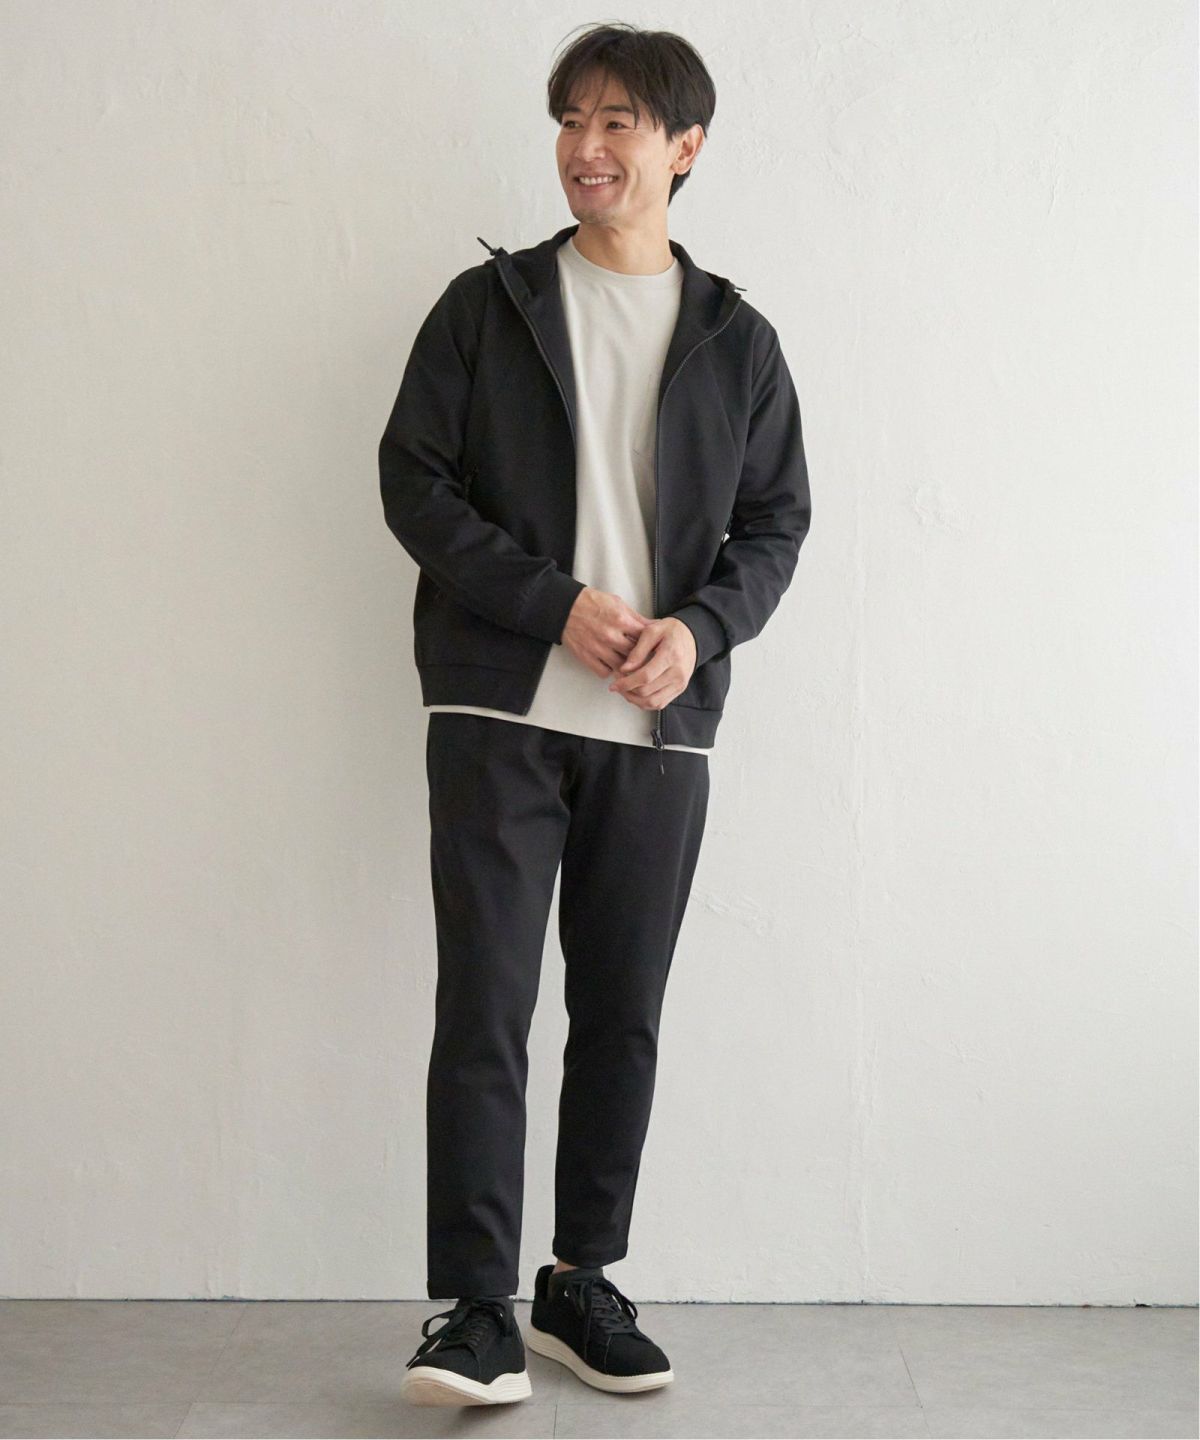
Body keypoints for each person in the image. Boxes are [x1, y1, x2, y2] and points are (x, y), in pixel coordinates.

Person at [378, 20, 812, 1408]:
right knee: (487, 1007)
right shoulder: (488, 307)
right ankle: (474, 1310)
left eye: (620, 121)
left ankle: (580, 1282)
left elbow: (776, 521)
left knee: (622, 1013)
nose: (586, 146)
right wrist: (552, 605)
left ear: (686, 149)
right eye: (572, 118)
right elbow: (414, 481)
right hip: (500, 708)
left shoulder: (738, 338)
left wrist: (701, 628)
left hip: (659, 730)